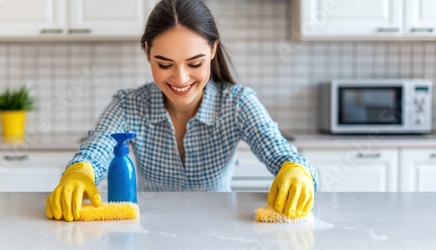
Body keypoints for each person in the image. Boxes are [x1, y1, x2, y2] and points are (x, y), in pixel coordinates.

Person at [46, 0, 319, 222]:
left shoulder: (237, 103)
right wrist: (79, 172)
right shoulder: (129, 105)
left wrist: (296, 171)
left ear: (212, 50)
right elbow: (95, 151)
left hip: (219, 230)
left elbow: (282, 154)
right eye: (164, 65)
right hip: (149, 232)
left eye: (194, 63)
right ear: (147, 52)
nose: (180, 79)